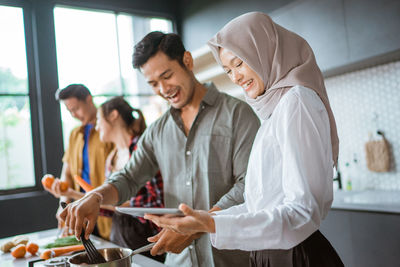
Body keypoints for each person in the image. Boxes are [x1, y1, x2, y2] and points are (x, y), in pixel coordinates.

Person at [144, 12, 344, 267]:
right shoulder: (275, 110)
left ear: (264, 50)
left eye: (239, 63)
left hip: (294, 256)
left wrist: (210, 222)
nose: (235, 77)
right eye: (228, 70)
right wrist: (204, 220)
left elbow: (302, 213)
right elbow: (259, 205)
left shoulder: (296, 102)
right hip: (272, 254)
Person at [60, 32, 260, 267]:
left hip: (232, 259)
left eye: (167, 76)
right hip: (179, 262)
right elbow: (129, 177)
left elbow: (250, 186)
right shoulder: (157, 130)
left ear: (187, 61)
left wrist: (197, 226)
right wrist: (96, 196)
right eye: (153, 83)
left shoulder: (238, 115)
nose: (164, 89)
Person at [96, 96, 164, 262]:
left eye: (99, 120)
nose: (96, 126)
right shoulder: (112, 157)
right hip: (119, 234)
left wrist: (99, 200)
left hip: (146, 237)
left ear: (113, 115)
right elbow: (110, 208)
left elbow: (157, 204)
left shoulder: (142, 148)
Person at [44, 84, 114, 239]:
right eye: (69, 111)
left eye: (76, 109)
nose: (73, 115)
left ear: (89, 99)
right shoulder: (74, 134)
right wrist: (63, 204)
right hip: (80, 209)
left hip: (107, 211)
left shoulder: (109, 129)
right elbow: (67, 173)